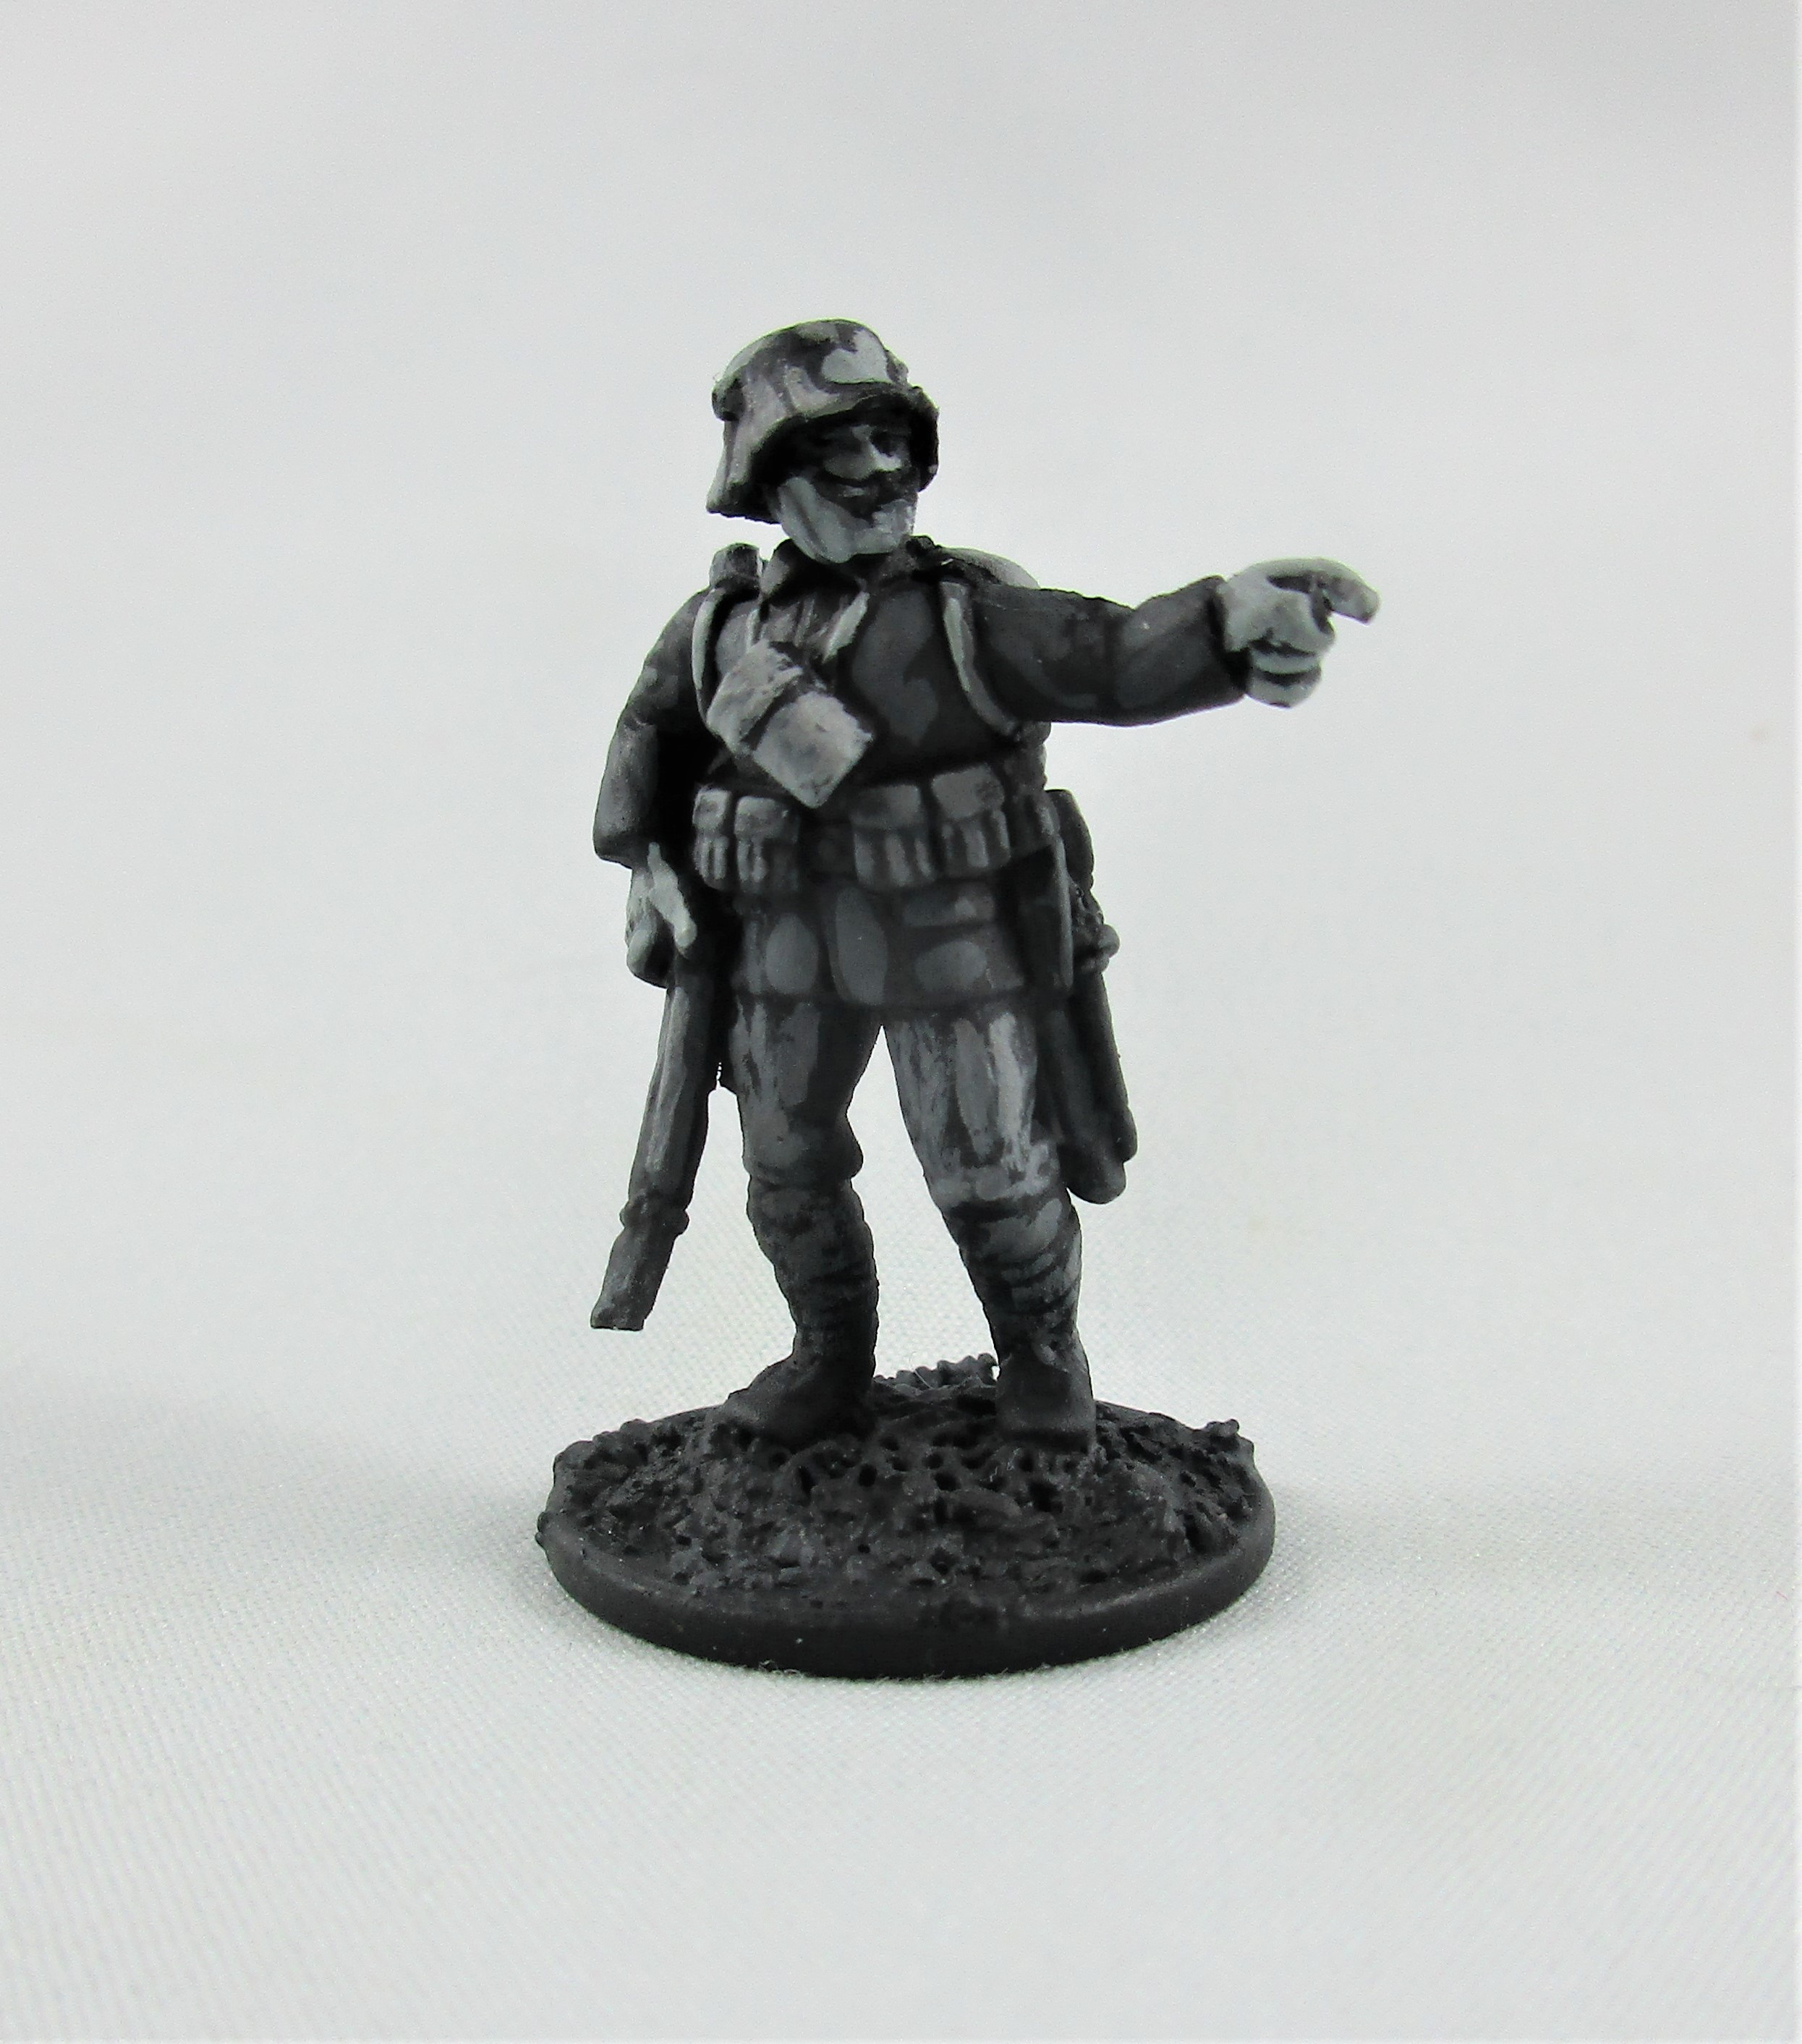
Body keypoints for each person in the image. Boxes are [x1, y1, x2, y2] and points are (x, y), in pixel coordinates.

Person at [592, 319, 1377, 1451]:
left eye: (891, 441)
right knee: (786, 1165)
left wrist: (1225, 625)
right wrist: (649, 861)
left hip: (945, 932)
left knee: (989, 1170)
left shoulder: (966, 612)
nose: (875, 469)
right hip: (779, 936)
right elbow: (650, 733)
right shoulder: (724, 625)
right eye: (839, 446)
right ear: (771, 473)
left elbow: (1112, 656)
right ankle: (828, 1357)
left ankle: (1043, 1356)